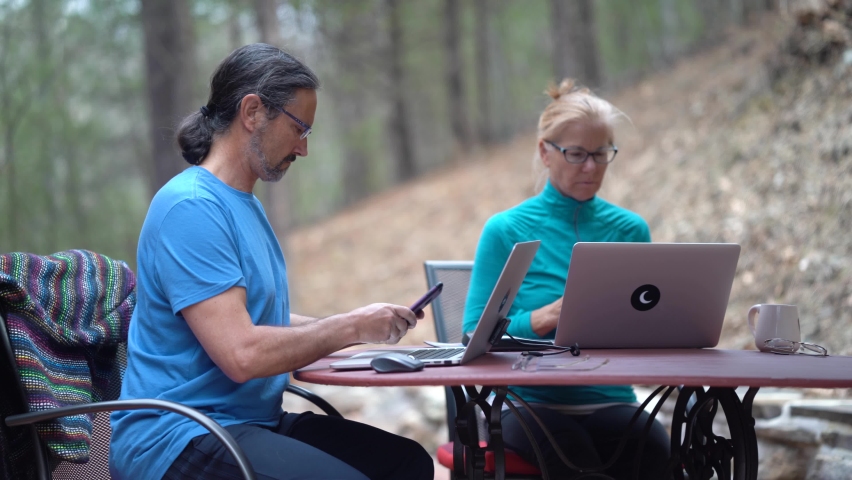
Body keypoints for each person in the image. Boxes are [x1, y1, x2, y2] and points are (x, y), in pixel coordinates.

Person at [110, 44, 434, 480]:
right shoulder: (188, 208)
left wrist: (358, 323)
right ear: (252, 112)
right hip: (179, 437)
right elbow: (242, 353)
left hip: (246, 423)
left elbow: (264, 320)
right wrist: (349, 327)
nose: (303, 149)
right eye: (299, 128)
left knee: (406, 463)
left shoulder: (244, 206)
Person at [462, 79, 670, 478]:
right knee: (575, 461)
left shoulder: (630, 231)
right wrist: (544, 317)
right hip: (528, 403)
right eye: (576, 154)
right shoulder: (506, 230)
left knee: (658, 454)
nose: (590, 167)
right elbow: (474, 334)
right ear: (545, 152)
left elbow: (648, 326)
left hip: (613, 399)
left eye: (601, 153)